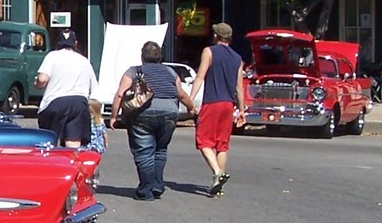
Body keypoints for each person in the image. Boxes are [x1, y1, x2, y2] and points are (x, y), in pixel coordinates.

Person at [114, 42, 195, 200]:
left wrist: (114, 117)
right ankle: (157, 185)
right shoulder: (170, 72)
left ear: (142, 56)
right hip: (169, 113)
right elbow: (181, 94)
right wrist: (192, 108)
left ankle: (146, 190)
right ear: (160, 57)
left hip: (142, 114)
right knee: (160, 149)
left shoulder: (134, 71)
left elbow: (120, 94)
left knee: (144, 152)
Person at [190, 22, 246, 197]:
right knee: (222, 145)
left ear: (216, 36)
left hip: (212, 102)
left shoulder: (209, 51)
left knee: (203, 140)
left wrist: (190, 99)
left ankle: (218, 173)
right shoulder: (237, 58)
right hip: (228, 105)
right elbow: (239, 87)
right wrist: (242, 110)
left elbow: (200, 76)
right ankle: (219, 184)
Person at [34, 29, 97, 147]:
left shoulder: (52, 56)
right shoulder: (84, 60)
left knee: (50, 139)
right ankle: (71, 161)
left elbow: (42, 79)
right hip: (79, 102)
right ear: (76, 43)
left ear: (58, 43)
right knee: (73, 139)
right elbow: (93, 87)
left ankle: (52, 162)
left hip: (56, 102)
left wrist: (37, 84)